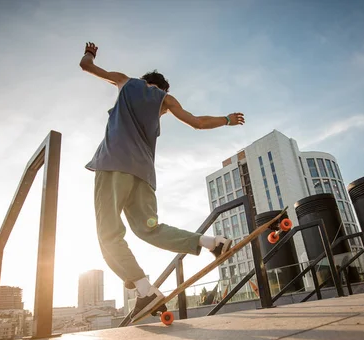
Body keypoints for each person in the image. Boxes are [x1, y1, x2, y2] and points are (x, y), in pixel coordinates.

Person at [79, 42, 246, 321]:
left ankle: (145, 291)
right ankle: (212, 243)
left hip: (113, 165)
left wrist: (91, 53)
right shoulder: (166, 101)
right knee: (150, 229)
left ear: (145, 82)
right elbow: (197, 123)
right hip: (143, 175)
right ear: (162, 91)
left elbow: (86, 66)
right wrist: (227, 119)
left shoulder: (125, 82)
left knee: (108, 233)